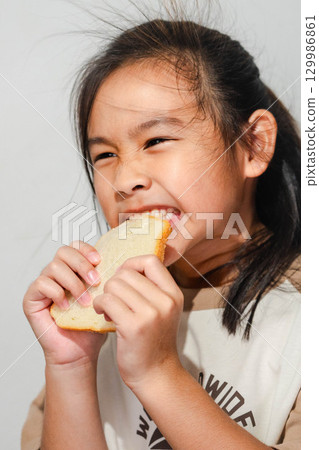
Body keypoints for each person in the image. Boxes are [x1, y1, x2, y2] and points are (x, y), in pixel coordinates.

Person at [21, 14, 301, 450]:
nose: (124, 178)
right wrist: (71, 366)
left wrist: (158, 373)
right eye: (104, 155)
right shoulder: (100, 317)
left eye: (156, 141)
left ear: (252, 145)